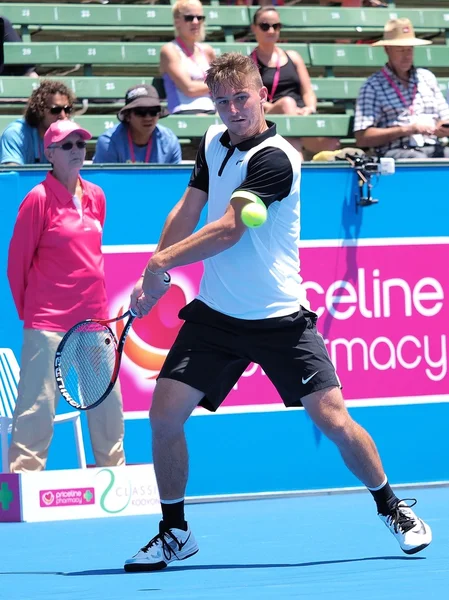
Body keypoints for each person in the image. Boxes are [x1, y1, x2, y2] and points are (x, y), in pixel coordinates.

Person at [123, 53, 432, 572]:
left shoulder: (277, 158)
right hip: (217, 317)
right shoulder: (213, 141)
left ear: (263, 94)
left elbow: (227, 229)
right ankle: (175, 530)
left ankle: (392, 506)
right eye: (220, 102)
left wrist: (159, 264)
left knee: (333, 420)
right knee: (163, 415)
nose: (231, 110)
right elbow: (190, 207)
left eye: (240, 98)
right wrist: (151, 273)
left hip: (280, 318)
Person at [7, 120, 125, 472]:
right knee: (37, 406)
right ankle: (24, 479)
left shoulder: (97, 196)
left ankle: (114, 479)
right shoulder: (38, 199)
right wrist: (35, 316)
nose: (77, 150)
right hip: (48, 324)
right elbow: (17, 266)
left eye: (81, 144)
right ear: (50, 153)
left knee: (107, 407)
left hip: (94, 323)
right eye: (68, 145)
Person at [251, 6, 339, 159]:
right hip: (269, 113)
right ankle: (298, 163)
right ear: (254, 28)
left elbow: (308, 91)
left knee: (333, 143)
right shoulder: (249, 62)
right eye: (265, 26)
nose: (271, 31)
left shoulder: (293, 56)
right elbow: (253, 97)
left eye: (276, 26)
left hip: (299, 113)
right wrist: (281, 108)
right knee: (287, 103)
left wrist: (309, 109)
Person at [354, 18, 449, 159]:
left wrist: (442, 128)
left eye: (410, 49)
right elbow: (362, 137)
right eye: (400, 50)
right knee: (417, 160)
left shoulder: (427, 78)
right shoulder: (372, 85)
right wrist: (407, 130)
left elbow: (445, 117)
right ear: (387, 50)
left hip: (432, 146)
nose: (407, 56)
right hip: (396, 151)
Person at [93, 84, 182, 164]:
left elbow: (174, 180)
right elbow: (106, 180)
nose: (148, 117)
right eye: (141, 112)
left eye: (153, 111)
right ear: (128, 116)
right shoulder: (109, 142)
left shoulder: (169, 140)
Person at [0, 79, 75, 166]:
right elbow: (13, 176)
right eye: (55, 110)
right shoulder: (15, 134)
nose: (63, 115)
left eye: (67, 110)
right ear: (39, 110)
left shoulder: (69, 136)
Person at [160, 0, 216, 115]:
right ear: (177, 22)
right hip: (184, 112)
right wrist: (217, 84)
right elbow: (189, 89)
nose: (195, 22)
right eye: (189, 18)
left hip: (212, 110)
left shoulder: (207, 51)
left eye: (199, 17)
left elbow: (222, 84)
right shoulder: (170, 50)